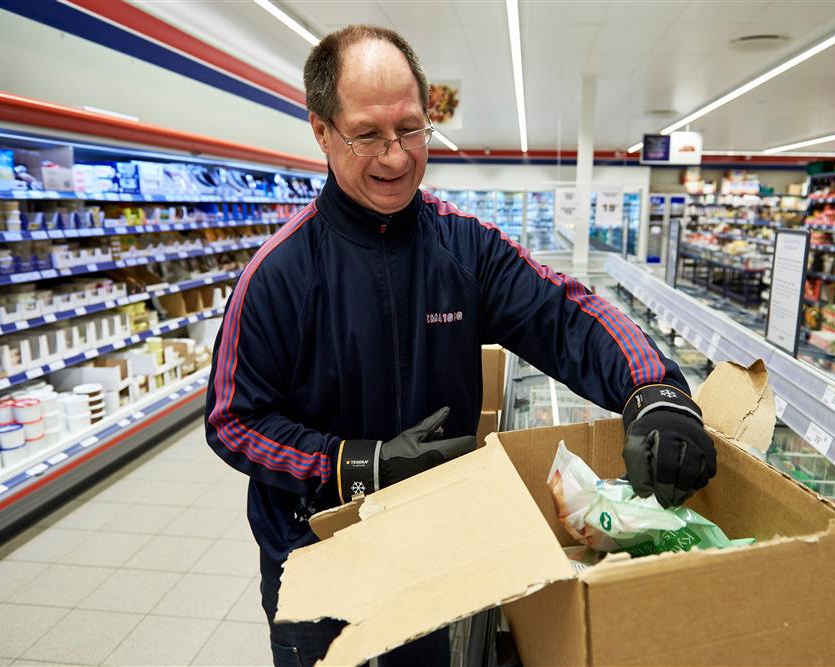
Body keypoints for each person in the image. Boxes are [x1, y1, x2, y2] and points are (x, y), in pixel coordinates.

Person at [204, 24, 715, 667]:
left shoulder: (462, 249)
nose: (396, 157)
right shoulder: (278, 275)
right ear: (322, 131)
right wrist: (359, 465)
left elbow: (563, 314)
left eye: (412, 130)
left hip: (432, 554)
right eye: (367, 135)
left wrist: (655, 390)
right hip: (319, 567)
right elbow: (233, 422)